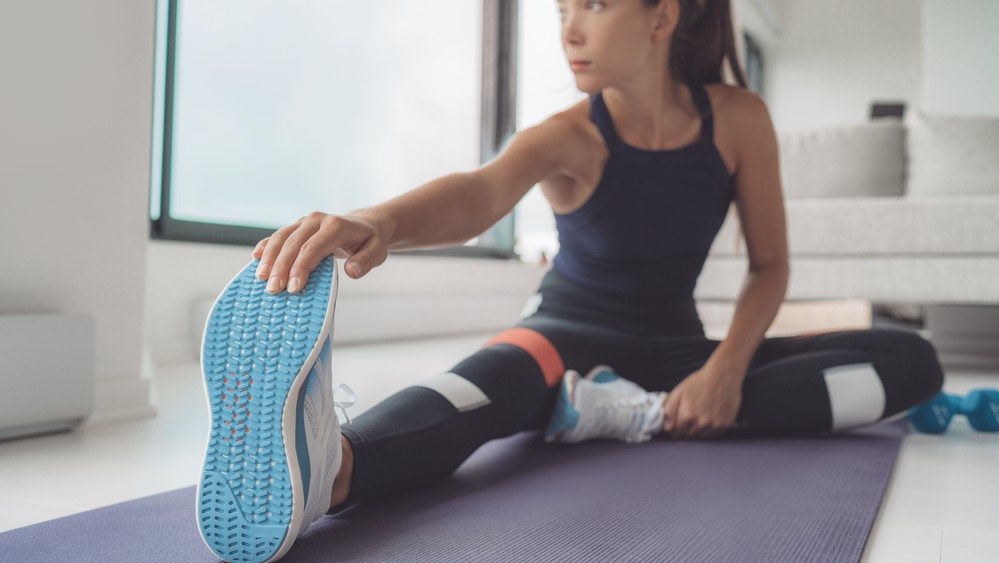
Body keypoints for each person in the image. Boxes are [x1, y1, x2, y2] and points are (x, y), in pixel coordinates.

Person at [196, 1, 945, 561]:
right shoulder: (569, 134)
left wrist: (722, 370)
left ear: (661, 16)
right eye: (560, 9)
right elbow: (479, 192)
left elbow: (770, 266)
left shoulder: (739, 119)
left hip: (678, 348)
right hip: (561, 340)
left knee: (912, 360)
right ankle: (332, 464)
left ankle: (634, 411)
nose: (569, 29)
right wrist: (379, 221)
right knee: (478, 391)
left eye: (593, 4)